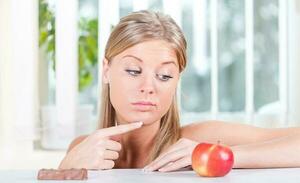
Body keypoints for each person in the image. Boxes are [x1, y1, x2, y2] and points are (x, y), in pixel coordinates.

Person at [59, 10, 300, 172]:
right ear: (106, 70)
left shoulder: (199, 139)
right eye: (133, 71)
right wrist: (65, 171)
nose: (148, 88)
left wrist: (213, 156)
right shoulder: (83, 149)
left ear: (176, 81)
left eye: (164, 76)